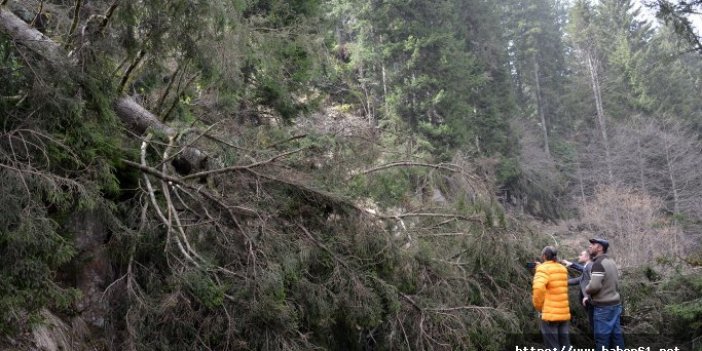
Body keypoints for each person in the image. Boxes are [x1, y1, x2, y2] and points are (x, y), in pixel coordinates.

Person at [585, 238, 625, 350]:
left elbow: (594, 286)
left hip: (603, 308)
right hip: (615, 305)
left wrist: (587, 289)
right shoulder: (611, 261)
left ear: (600, 248)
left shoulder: (598, 263)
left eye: (593, 245)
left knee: (602, 340)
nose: (590, 247)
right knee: (616, 339)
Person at [533, 246, 571, 348]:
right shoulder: (562, 268)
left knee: (552, 346)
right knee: (565, 345)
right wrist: (540, 268)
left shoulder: (543, 269)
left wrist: (540, 307)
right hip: (563, 313)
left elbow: (538, 288)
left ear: (544, 256)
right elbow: (555, 282)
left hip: (550, 315)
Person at [562, 249, 594, 332]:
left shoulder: (590, 266)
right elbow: (579, 279)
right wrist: (562, 282)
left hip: (592, 302)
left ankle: (602, 344)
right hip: (590, 303)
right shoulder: (587, 267)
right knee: (594, 326)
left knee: (596, 327)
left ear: (587, 257)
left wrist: (588, 296)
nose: (579, 256)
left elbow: (595, 280)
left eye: (581, 254)